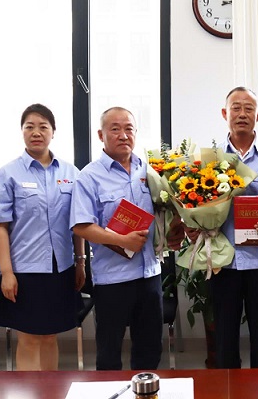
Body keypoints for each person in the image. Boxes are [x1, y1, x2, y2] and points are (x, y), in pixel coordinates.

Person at [0, 104, 85, 370]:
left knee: (50, 336)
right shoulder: (8, 174)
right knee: (29, 338)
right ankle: (28, 391)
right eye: (29, 127)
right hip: (24, 270)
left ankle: (50, 389)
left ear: (53, 132)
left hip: (60, 267)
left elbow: (78, 223)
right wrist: (7, 273)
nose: (36, 132)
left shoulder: (70, 173)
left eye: (43, 127)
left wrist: (80, 262)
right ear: (22, 132)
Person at [70, 107, 162, 370]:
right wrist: (123, 241)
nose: (123, 135)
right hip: (113, 280)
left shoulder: (150, 171)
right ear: (101, 135)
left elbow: (163, 214)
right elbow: (81, 226)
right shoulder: (89, 176)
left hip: (149, 275)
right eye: (115, 129)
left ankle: (147, 390)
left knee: (149, 351)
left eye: (129, 129)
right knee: (109, 354)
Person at [208, 86, 258, 368]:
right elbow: (197, 202)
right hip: (223, 261)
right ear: (225, 113)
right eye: (236, 108)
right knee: (225, 337)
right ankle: (228, 388)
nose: (242, 114)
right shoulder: (212, 158)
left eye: (248, 108)